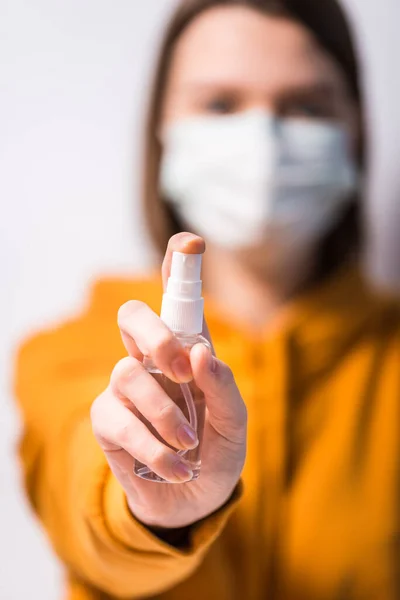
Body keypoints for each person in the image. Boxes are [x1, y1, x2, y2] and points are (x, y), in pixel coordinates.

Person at [15, 0, 400, 598]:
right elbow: (80, 491)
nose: (263, 139)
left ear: (354, 132)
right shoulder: (67, 354)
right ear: (161, 133)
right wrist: (150, 508)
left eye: (307, 106)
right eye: (220, 103)